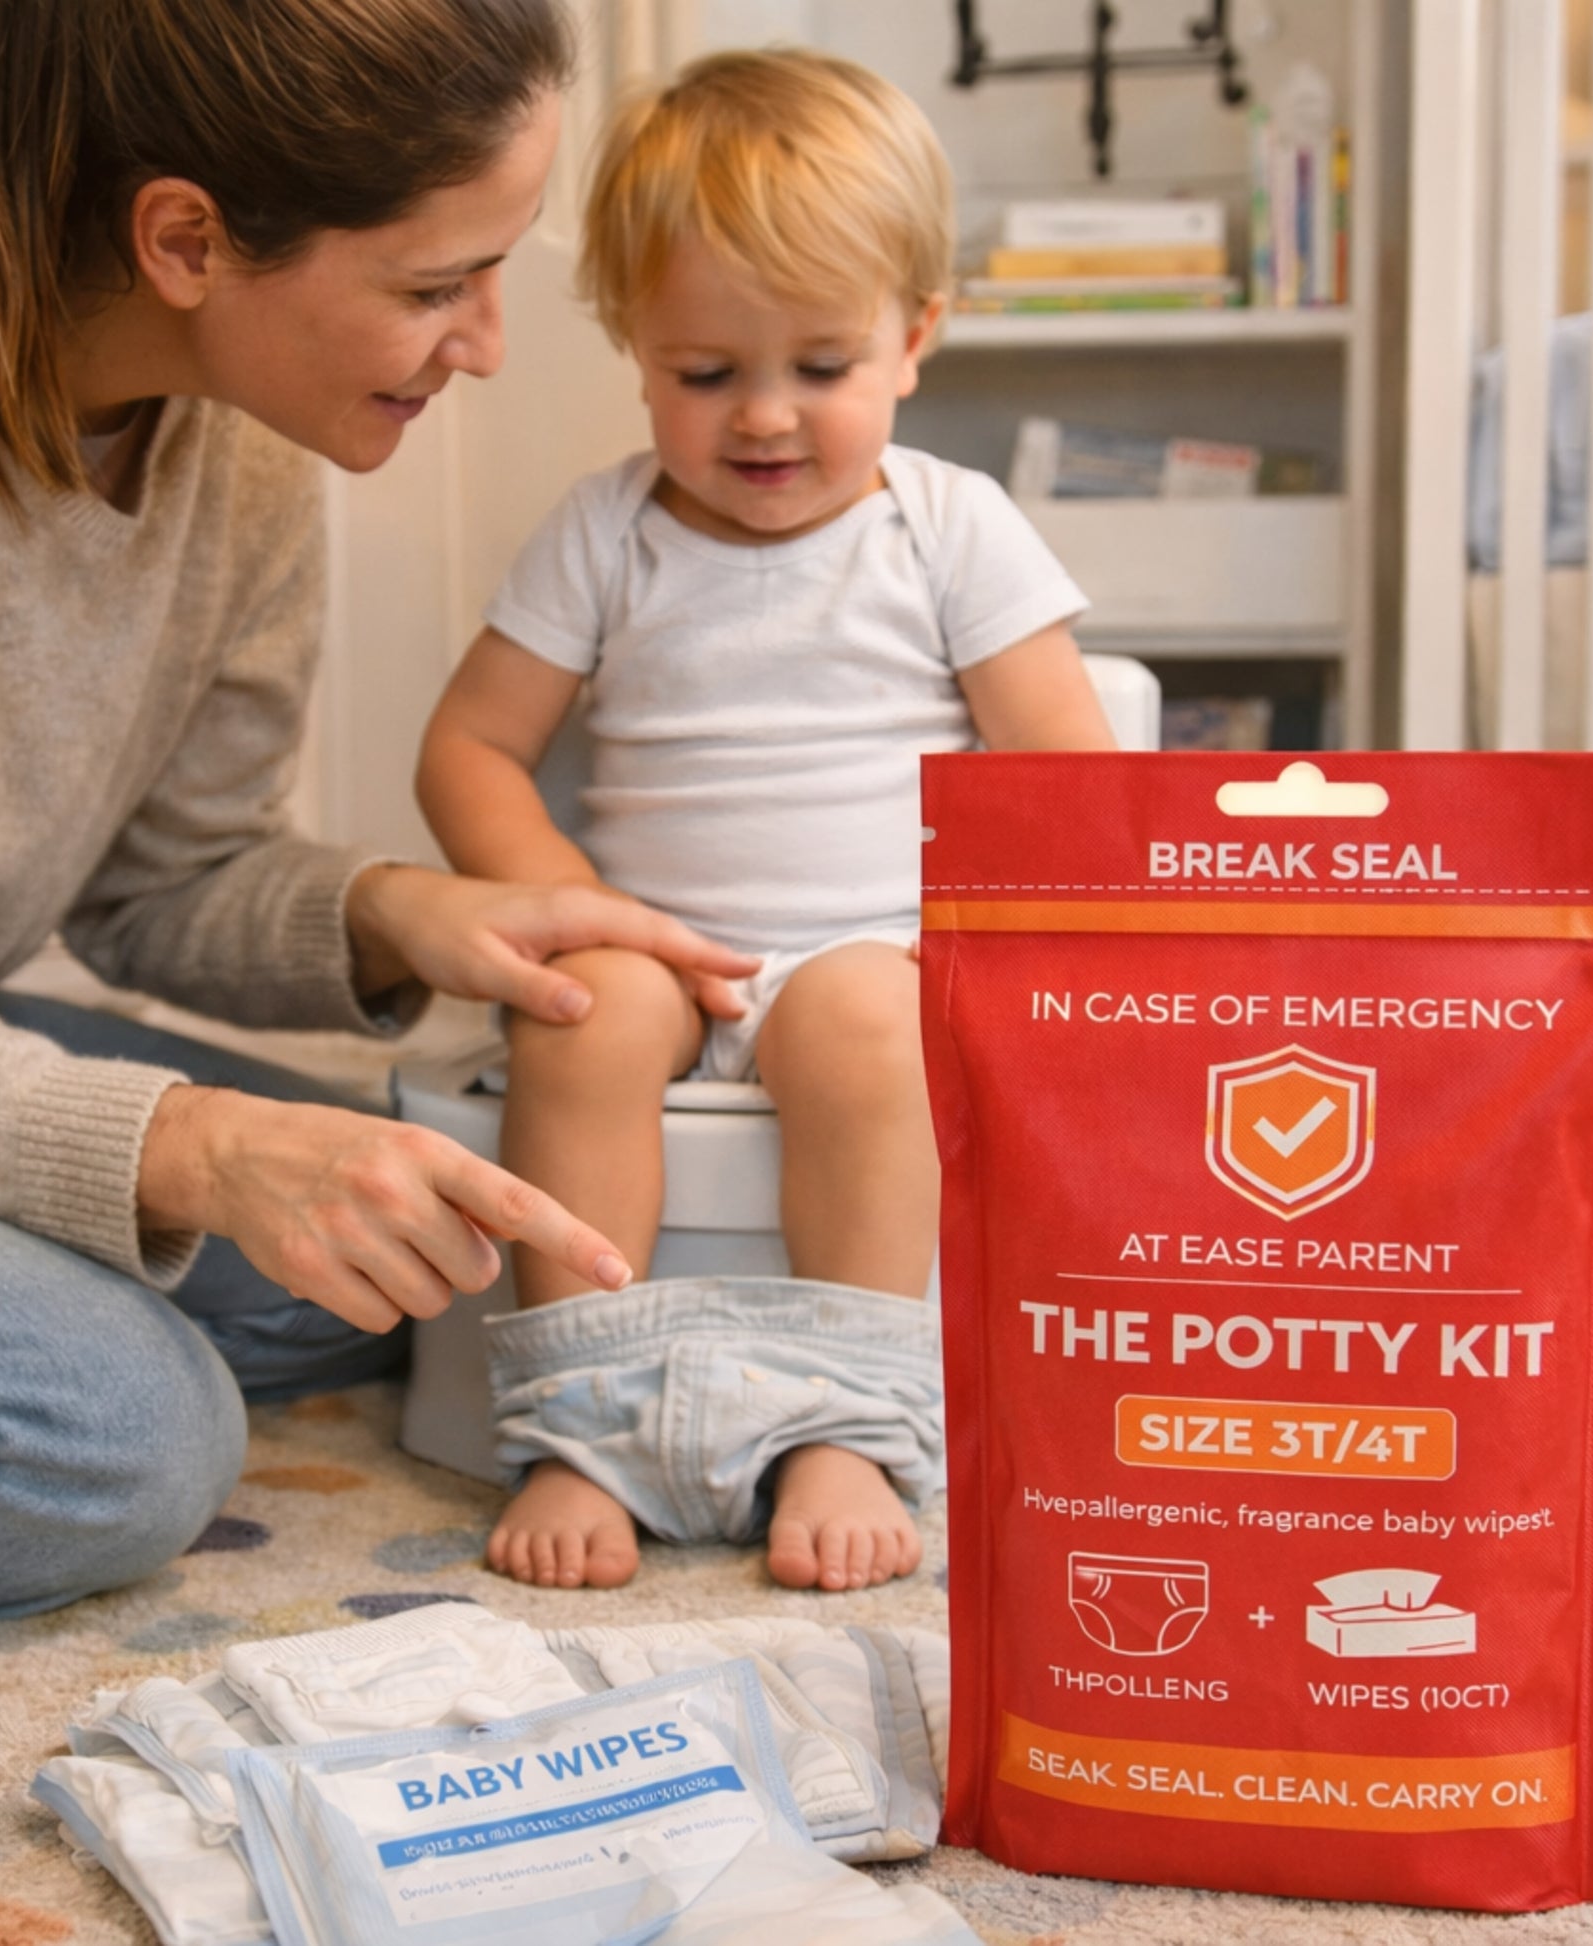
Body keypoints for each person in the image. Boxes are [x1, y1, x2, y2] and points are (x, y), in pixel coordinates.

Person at [0, 0, 759, 1632]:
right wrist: (205, 1149)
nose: (487, 342)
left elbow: (161, 881)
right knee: (115, 1434)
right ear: (185, 238)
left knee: (407, 1264)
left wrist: (397, 914)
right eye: (436, 284)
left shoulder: (240, 429)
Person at [417, 48, 1117, 1597]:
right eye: (705, 371)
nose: (765, 417)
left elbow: (1061, 775)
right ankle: (578, 1425)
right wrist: (571, 904)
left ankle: (843, 1420)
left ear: (914, 339)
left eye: (820, 364)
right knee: (582, 1017)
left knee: (873, 1018)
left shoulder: (947, 527)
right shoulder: (604, 532)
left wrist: (1019, 979)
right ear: (636, 351)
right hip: (664, 950)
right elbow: (471, 743)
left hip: (865, 948)